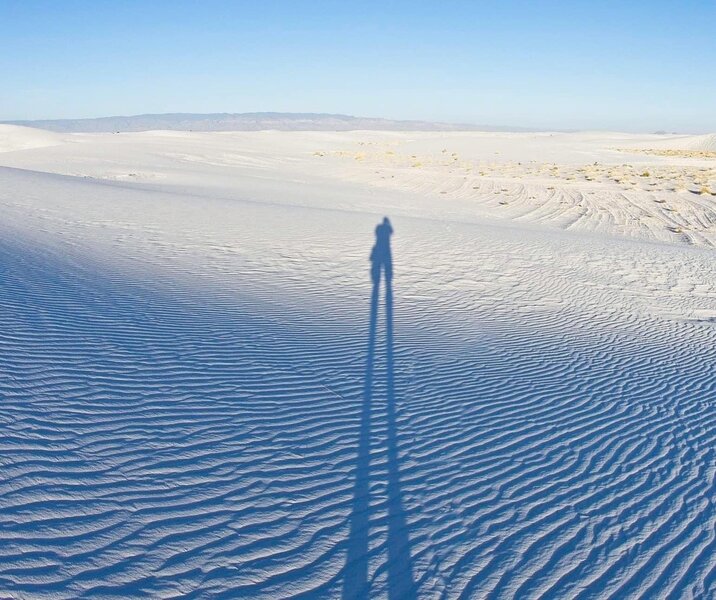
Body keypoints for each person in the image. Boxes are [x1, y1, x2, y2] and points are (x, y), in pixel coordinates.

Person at [370, 217, 393, 284]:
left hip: (378, 247)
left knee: (378, 264)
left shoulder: (379, 227)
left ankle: (376, 278)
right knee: (387, 265)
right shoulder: (388, 228)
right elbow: (392, 232)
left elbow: (376, 233)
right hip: (386, 249)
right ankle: (388, 279)